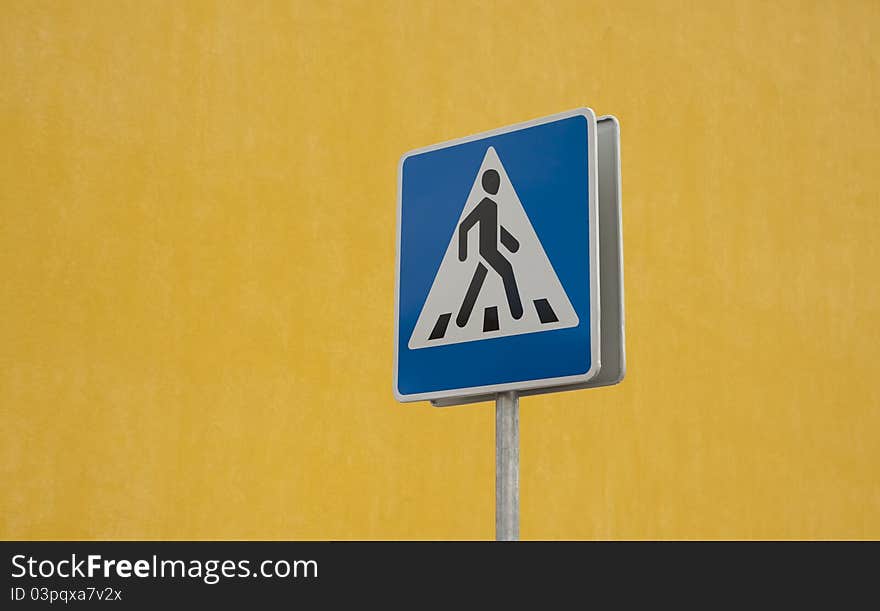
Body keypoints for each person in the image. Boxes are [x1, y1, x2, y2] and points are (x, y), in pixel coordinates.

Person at [456, 168, 523, 327]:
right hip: (486, 251)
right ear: (487, 185)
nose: (497, 186)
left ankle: (461, 319)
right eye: (494, 182)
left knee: (477, 281)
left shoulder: (492, 206)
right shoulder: (485, 204)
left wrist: (511, 243)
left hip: (490, 250)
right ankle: (518, 313)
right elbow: (464, 226)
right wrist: (462, 253)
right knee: (507, 270)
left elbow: (495, 229)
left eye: (497, 182)